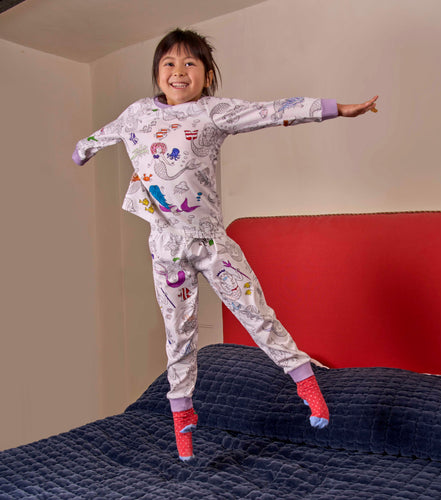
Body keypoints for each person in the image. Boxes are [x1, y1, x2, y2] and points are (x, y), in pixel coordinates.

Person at [73, 28, 378, 462]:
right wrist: (82, 149)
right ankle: (183, 420)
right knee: (178, 335)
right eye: (169, 64)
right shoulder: (138, 113)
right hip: (166, 247)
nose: (179, 71)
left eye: (190, 63)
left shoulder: (213, 112)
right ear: (157, 74)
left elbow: (270, 112)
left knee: (256, 313)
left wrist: (336, 109)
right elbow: (107, 132)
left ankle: (308, 385)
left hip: (211, 242)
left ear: (208, 75)